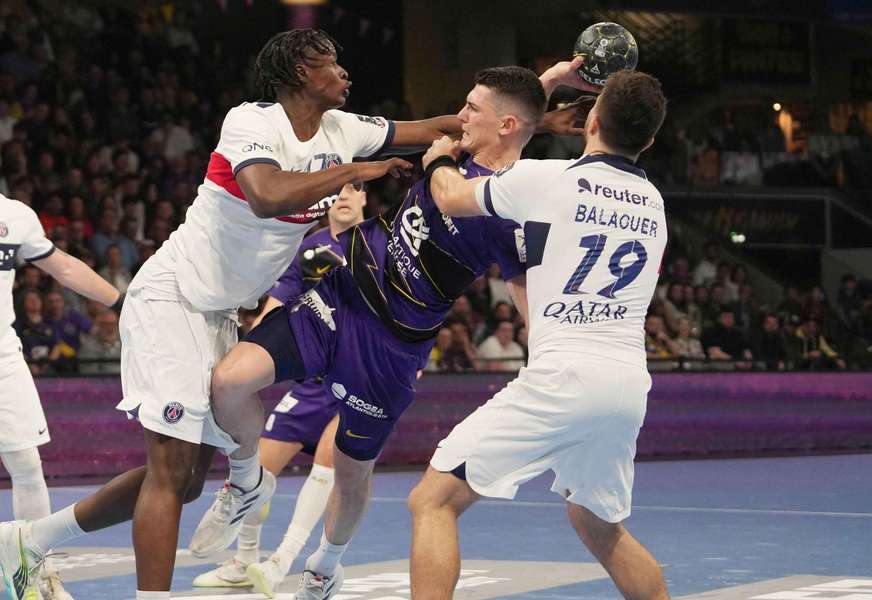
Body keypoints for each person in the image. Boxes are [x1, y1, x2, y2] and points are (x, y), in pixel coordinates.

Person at [0, 25, 482, 600]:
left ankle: (28, 540)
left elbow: (437, 127)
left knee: (184, 483)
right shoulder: (251, 121)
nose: (345, 73)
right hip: (172, 298)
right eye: (332, 62)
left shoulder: (343, 129)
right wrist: (354, 171)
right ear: (301, 70)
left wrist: (533, 112)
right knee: (170, 468)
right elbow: (267, 194)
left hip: (218, 313)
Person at [190, 61, 593, 599]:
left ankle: (324, 566)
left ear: (502, 126)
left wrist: (551, 350)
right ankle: (246, 481)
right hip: (342, 297)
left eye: (472, 107)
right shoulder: (463, 143)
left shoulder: (512, 207)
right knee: (228, 380)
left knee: (352, 476)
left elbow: (525, 288)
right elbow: (513, 113)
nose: (460, 113)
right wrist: (556, 76)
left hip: (392, 350)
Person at [410, 69, 670, 600]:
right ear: (648, 141)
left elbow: (452, 197)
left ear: (591, 120)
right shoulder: (656, 205)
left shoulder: (552, 180)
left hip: (564, 377)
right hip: (627, 385)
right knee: (598, 524)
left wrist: (438, 157)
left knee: (433, 501)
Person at [192, 183, 364, 596]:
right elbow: (277, 306)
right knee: (257, 472)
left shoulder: (379, 243)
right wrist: (250, 354)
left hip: (359, 378)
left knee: (330, 465)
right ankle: (244, 561)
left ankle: (282, 562)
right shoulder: (308, 248)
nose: (343, 194)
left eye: (353, 188)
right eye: (336, 189)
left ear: (363, 198)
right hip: (311, 385)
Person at [0, 193, 123, 600]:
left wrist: (123, 301)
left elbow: (65, 268)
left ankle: (33, 571)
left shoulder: (14, 215)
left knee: (28, 464)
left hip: (3, 356)